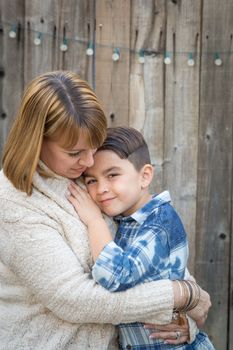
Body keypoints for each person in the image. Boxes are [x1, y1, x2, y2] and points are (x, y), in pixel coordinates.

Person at [0, 71, 211, 350]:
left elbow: (149, 248)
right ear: (37, 141)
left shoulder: (87, 177)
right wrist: (177, 296)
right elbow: (75, 300)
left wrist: (188, 313)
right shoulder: (14, 202)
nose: (89, 161)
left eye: (93, 147)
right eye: (76, 152)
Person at [67, 126, 215, 350]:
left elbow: (116, 276)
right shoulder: (123, 220)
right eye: (91, 181)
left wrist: (93, 221)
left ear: (145, 176)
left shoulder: (160, 222)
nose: (101, 189)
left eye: (112, 175)